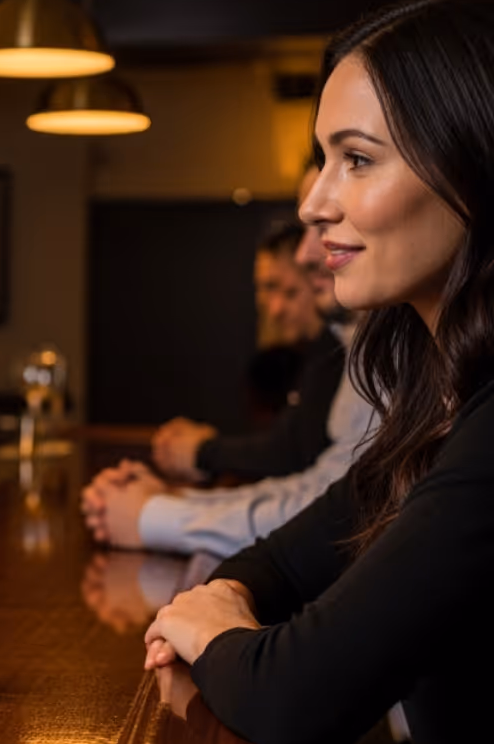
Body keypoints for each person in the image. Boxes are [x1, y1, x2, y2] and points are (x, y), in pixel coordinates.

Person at [144, 0, 494, 744]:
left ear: (474, 170)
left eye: (357, 159)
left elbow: (297, 699)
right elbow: (291, 559)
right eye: (321, 158)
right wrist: (221, 604)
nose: (313, 203)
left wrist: (218, 630)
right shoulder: (434, 401)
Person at [81, 172, 375, 557]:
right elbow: (320, 488)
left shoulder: (361, 348)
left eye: (323, 225)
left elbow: (337, 511)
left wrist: (157, 514)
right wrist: (171, 501)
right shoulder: (355, 344)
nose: (306, 256)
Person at [151, 215, 342, 483]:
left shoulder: (335, 350)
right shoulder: (286, 360)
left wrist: (203, 450)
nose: (274, 309)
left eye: (289, 292)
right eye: (266, 288)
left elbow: (290, 454)